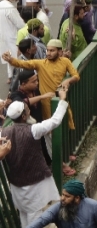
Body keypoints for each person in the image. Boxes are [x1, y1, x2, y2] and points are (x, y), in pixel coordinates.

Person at [4, 84, 68, 226]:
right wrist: (62, 100)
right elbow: (55, 121)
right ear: (24, 115)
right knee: (35, 219)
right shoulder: (33, 130)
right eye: (27, 109)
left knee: (24, 216)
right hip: (33, 186)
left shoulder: (4, 133)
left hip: (17, 186)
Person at [27, 179, 97, 228]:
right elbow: (42, 220)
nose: (62, 198)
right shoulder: (59, 207)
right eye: (62, 195)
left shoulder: (95, 207)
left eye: (67, 196)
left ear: (77, 198)